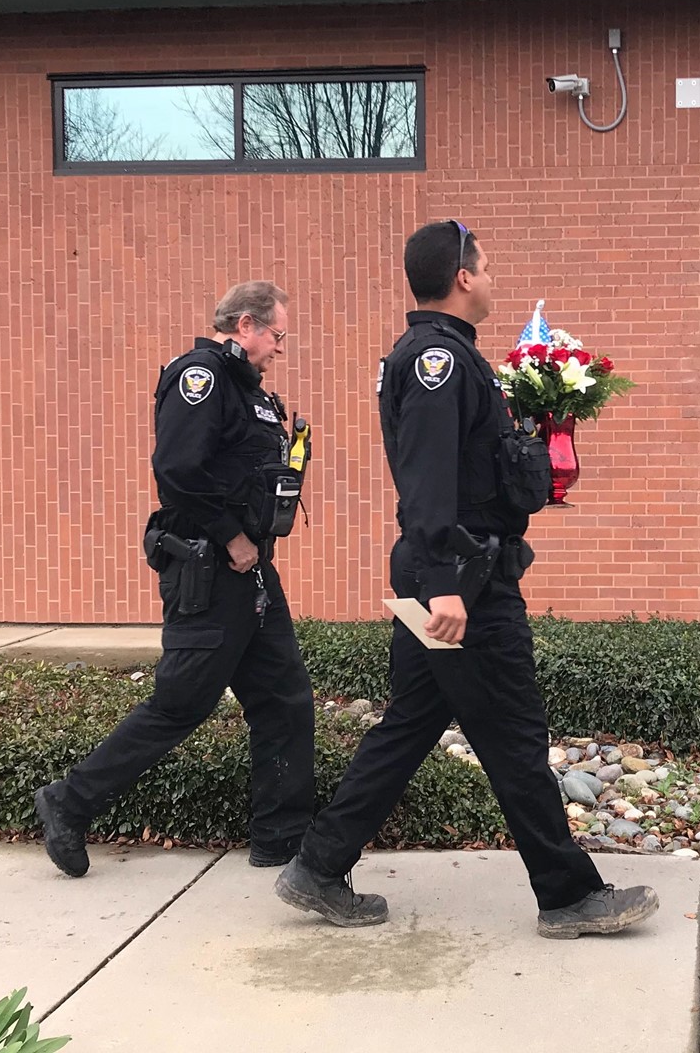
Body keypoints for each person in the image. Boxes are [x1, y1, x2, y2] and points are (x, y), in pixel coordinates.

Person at [274, 220, 658, 939]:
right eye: (486, 267)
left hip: (453, 573)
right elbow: (427, 479)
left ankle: (318, 868)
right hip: (463, 585)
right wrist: (447, 583)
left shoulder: (446, 358)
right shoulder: (436, 364)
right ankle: (569, 896)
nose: (492, 277)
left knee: (411, 725)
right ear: (462, 278)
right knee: (514, 734)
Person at [34, 281, 315, 877]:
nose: (280, 348)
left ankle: (281, 839)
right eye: (277, 335)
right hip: (213, 570)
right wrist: (232, 536)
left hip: (252, 571)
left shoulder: (253, 394)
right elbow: (176, 470)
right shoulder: (201, 377)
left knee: (285, 700)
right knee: (180, 705)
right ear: (246, 324)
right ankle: (68, 801)